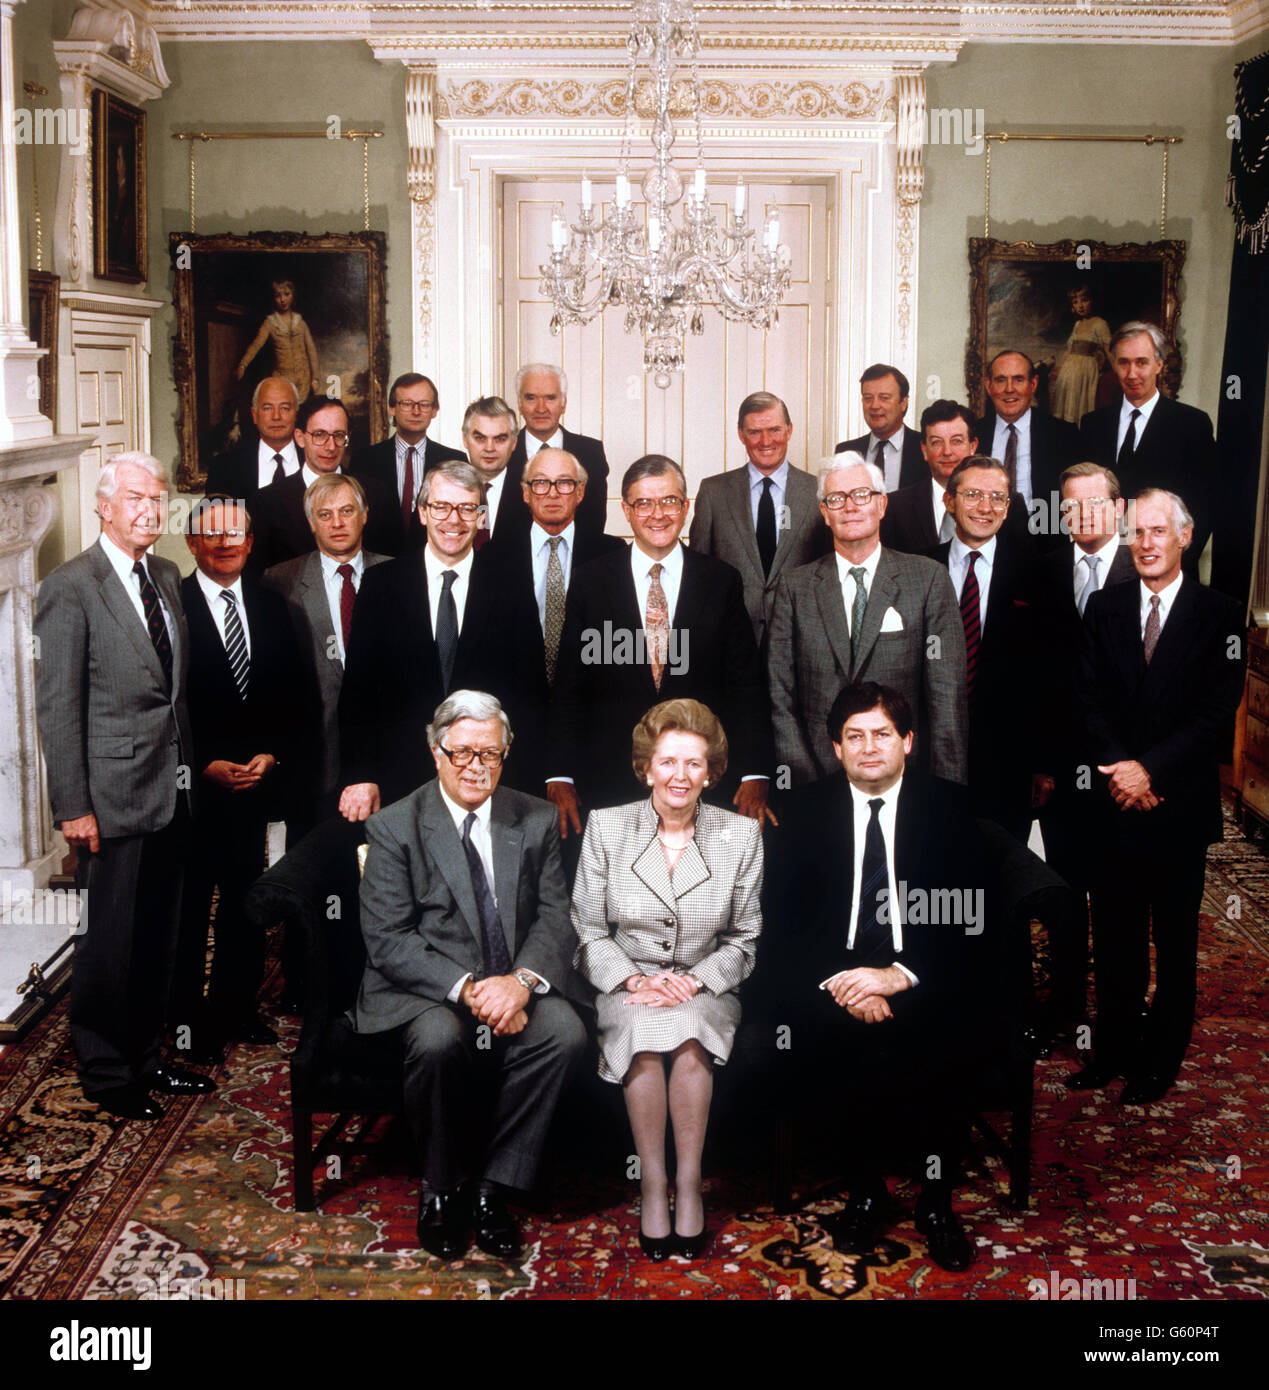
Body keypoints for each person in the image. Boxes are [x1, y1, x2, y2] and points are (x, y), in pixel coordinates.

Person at [763, 682, 988, 1272]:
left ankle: (936, 1202)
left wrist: (899, 975)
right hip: (833, 978)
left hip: (923, 972)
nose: (869, 749)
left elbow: (968, 918)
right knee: (826, 1031)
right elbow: (785, 923)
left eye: (882, 735)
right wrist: (847, 981)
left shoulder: (950, 808)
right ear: (835, 748)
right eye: (854, 737)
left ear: (908, 742)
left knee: (952, 1027)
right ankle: (865, 1191)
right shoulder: (804, 812)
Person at [354, 691, 585, 1261]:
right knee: (437, 1040)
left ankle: (494, 1187)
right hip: (428, 986)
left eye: (492, 754)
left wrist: (522, 982)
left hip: (512, 977)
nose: (478, 767)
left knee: (565, 1033)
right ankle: (441, 1187)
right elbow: (388, 939)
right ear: (436, 752)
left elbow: (558, 915)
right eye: (463, 754)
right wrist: (469, 989)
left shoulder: (532, 818)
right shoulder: (395, 827)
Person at [33, 454, 211, 1121]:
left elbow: (172, 694)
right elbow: (58, 706)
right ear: (105, 505)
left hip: (171, 788)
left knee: (158, 935)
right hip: (107, 797)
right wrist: (72, 805)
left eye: (158, 499)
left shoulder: (164, 574)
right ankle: (106, 1071)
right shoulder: (70, 587)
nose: (150, 510)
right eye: (136, 497)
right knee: (109, 938)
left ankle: (146, 1055)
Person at [1068, 489, 1244, 1106]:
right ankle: (1113, 1048)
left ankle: (1159, 1059)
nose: (1146, 543)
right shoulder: (1105, 607)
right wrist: (1122, 773)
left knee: (1172, 943)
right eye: (1136, 532)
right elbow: (1085, 700)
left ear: (1184, 538)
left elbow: (1215, 713)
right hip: (1113, 803)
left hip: (1177, 806)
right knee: (1113, 937)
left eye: (1158, 532)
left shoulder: (1221, 615)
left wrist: (1150, 771)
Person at [572, 699, 762, 1261]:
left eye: (694, 765)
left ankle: (690, 1182)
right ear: (647, 767)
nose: (680, 776)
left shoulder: (741, 835)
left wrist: (698, 981)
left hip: (706, 990)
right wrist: (631, 981)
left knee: (686, 1033)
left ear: (711, 771)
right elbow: (587, 929)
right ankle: (654, 1187)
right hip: (627, 985)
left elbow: (745, 939)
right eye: (668, 763)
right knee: (645, 1040)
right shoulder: (607, 827)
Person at [547, 454, 774, 834]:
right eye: (644, 503)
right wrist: (561, 775)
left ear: (686, 508)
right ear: (627, 510)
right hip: (608, 779)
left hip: (701, 780)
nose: (658, 514)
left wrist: (755, 771)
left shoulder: (721, 582)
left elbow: (745, 685)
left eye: (669, 501)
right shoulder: (591, 581)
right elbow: (570, 686)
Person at [338, 459, 546, 819]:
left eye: (467, 508)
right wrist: (361, 775)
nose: (454, 520)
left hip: (486, 779)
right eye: (441, 506)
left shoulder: (511, 586)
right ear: (422, 512)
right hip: (399, 778)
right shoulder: (381, 584)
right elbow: (358, 692)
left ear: (481, 517)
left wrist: (522, 779)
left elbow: (529, 693)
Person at [174, 497, 305, 1057]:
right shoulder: (171, 607)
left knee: (244, 905)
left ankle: (235, 1007)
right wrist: (201, 762)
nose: (225, 544)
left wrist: (272, 755)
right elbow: (163, 702)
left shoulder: (272, 606)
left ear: (250, 543)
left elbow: (290, 693)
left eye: (236, 535)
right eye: (212, 535)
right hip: (190, 790)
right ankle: (185, 1022)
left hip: (253, 787)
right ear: (192, 543)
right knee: (186, 911)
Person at [767, 456, 967, 787]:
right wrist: (805, 780)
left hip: (907, 778)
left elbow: (947, 697)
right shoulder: (795, 587)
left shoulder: (928, 579)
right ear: (824, 513)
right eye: (836, 499)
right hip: (817, 776)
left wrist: (946, 790)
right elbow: (779, 696)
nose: (849, 507)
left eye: (862, 494)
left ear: (882, 504)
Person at [932, 456, 1054, 841]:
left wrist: (1043, 763)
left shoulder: (1038, 573)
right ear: (949, 502)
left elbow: (1052, 676)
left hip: (1008, 761)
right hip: (930, 757)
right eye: (972, 495)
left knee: (1002, 879)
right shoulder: (918, 567)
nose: (985, 507)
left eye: (997, 498)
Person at [263, 473, 390, 833]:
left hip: (385, 764)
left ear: (364, 515)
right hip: (311, 767)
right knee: (314, 878)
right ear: (310, 522)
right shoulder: (279, 582)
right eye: (325, 514)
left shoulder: (398, 574)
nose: (337, 523)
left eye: (347, 511)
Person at [688, 391, 830, 647]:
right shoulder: (713, 492)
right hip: (730, 638)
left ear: (789, 430)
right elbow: (699, 572)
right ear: (741, 434)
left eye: (775, 430)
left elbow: (829, 571)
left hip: (801, 638)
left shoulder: (819, 491)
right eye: (754, 432)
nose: (766, 441)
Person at [480, 446, 624, 688]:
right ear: (526, 493)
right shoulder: (494, 555)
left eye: (564, 483)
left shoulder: (612, 553)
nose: (552, 494)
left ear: (580, 492)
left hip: (589, 696)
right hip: (516, 696)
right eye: (540, 483)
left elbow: (614, 643)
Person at [1078, 321, 1216, 570]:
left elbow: (1205, 507)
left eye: (1141, 362)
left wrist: (1173, 562)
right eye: (1124, 363)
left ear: (1159, 364)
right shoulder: (1093, 425)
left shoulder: (1192, 424)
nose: (1132, 373)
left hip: (1169, 569)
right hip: (1105, 569)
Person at [248, 394, 392, 573]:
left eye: (339, 435)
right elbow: (259, 575)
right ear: (300, 438)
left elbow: (390, 566)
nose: (331, 446)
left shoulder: (375, 493)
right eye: (319, 435)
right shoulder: (267, 501)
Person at [349, 372, 465, 555]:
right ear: (392, 409)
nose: (416, 411)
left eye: (424, 405)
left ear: (435, 410)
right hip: (377, 564)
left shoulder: (455, 461)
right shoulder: (364, 460)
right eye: (407, 404)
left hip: (433, 562)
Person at [503, 363, 611, 535]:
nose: (541, 408)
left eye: (550, 398)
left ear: (564, 404)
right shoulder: (502, 452)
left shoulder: (591, 453)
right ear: (519, 404)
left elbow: (594, 522)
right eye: (531, 398)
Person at [976, 349, 1081, 518]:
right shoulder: (973, 434)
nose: (1009, 389)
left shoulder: (1064, 435)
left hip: (1045, 537)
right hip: (985, 535)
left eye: (1018, 380)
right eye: (1001, 380)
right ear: (989, 386)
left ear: (1033, 384)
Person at [204, 375, 303, 501]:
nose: (276, 416)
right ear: (254, 415)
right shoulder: (224, 467)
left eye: (285, 408)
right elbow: (217, 518)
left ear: (296, 414)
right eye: (267, 408)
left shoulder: (317, 460)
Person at [834, 364, 925, 492]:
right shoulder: (846, 451)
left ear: (903, 403)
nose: (875, 405)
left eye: (884, 398)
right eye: (868, 398)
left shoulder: (924, 448)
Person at [235, 277, 321, 403]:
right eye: (278, 296)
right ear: (273, 298)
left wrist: (316, 378)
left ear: (293, 296)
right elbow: (256, 345)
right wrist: (243, 364)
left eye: (287, 294)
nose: (283, 300)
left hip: (304, 380)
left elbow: (311, 350)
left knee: (302, 415)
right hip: (282, 379)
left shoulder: (300, 322)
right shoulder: (270, 322)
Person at [453, 395, 519, 544]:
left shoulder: (530, 494)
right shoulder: (442, 489)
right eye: (480, 438)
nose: (490, 448)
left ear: (514, 442)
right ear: (465, 439)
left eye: (500, 439)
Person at [1050, 288, 1111, 425]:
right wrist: (1059, 368)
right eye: (1076, 302)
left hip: (1085, 371)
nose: (1080, 305)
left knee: (1080, 404)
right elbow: (1070, 349)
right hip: (1069, 369)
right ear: (1072, 306)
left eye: (1084, 300)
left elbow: (1108, 350)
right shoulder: (1078, 324)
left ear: (1092, 301)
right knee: (1065, 403)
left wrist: (1118, 370)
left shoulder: (1099, 323)